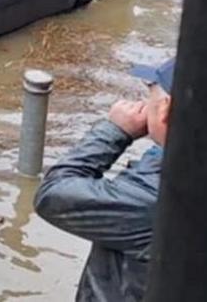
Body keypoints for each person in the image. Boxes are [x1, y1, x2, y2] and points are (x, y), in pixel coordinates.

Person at [34, 58, 174, 302]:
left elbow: (52, 194)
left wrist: (115, 131)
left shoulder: (150, 200)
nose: (143, 102)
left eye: (149, 94)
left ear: (165, 110)